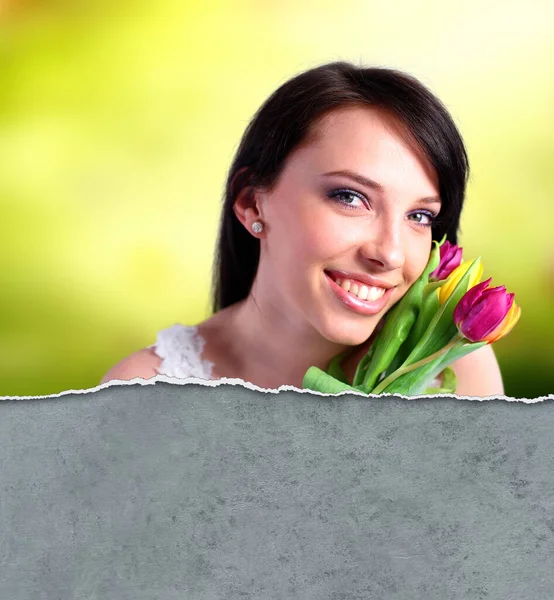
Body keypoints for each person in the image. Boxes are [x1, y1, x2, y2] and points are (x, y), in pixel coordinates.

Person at [101, 61, 504, 396]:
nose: (390, 253)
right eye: (350, 197)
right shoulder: (145, 392)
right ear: (251, 201)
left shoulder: (453, 366)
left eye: (419, 216)